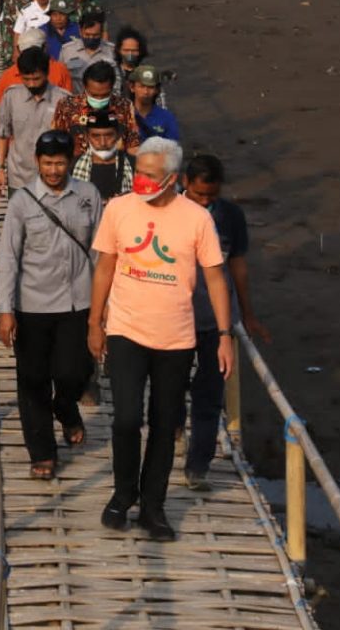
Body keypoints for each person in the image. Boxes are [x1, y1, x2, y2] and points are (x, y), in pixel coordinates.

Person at [88, 137, 234, 542]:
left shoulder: (197, 219)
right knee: (127, 418)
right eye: (138, 172)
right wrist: (94, 322)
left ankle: (154, 507)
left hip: (176, 338)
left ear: (172, 178)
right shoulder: (118, 209)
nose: (141, 180)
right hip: (125, 331)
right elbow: (104, 268)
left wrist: (224, 335)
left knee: (165, 422)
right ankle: (122, 495)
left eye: (150, 175)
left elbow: (216, 278)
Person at [0, 129, 104, 479]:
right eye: (47, 163)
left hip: (79, 302)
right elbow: (8, 258)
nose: (54, 170)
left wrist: (105, 307)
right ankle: (42, 453)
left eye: (59, 163)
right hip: (32, 305)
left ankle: (65, 407)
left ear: (70, 162)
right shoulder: (22, 202)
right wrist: (6, 310)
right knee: (32, 380)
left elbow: (103, 252)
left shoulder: (88, 195)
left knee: (75, 372)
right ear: (37, 162)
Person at [179, 154, 269, 491]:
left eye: (211, 197)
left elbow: (238, 267)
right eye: (199, 195)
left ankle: (198, 466)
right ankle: (174, 425)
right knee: (170, 388)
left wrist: (246, 313)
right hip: (174, 318)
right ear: (185, 183)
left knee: (210, 393)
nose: (204, 202)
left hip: (215, 321)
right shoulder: (169, 209)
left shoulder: (231, 216)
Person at [0, 48, 71, 194]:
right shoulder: (11, 97)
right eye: (26, 79)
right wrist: (0, 170)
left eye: (36, 79)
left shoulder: (64, 100)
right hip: (19, 178)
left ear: (47, 74)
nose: (32, 84)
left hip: (54, 180)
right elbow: (3, 135)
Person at [51, 60, 140, 159]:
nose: (99, 99)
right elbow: (56, 142)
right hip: (77, 169)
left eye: (104, 95)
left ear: (112, 88)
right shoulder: (66, 106)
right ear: (85, 87)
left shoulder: (124, 106)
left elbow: (133, 144)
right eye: (94, 95)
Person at [71, 109, 134, 199]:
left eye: (108, 135)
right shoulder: (72, 166)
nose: (103, 142)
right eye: (96, 136)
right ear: (87, 136)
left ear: (118, 135)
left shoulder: (133, 164)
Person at [57, 10, 116, 89]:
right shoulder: (67, 51)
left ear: (101, 33)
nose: (91, 38)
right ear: (80, 31)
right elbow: (60, 78)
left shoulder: (111, 51)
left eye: (95, 35)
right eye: (87, 34)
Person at [130, 64, 180, 140]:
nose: (146, 92)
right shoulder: (122, 115)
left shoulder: (167, 118)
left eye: (150, 87)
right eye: (141, 86)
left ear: (157, 90)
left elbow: (172, 147)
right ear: (132, 87)